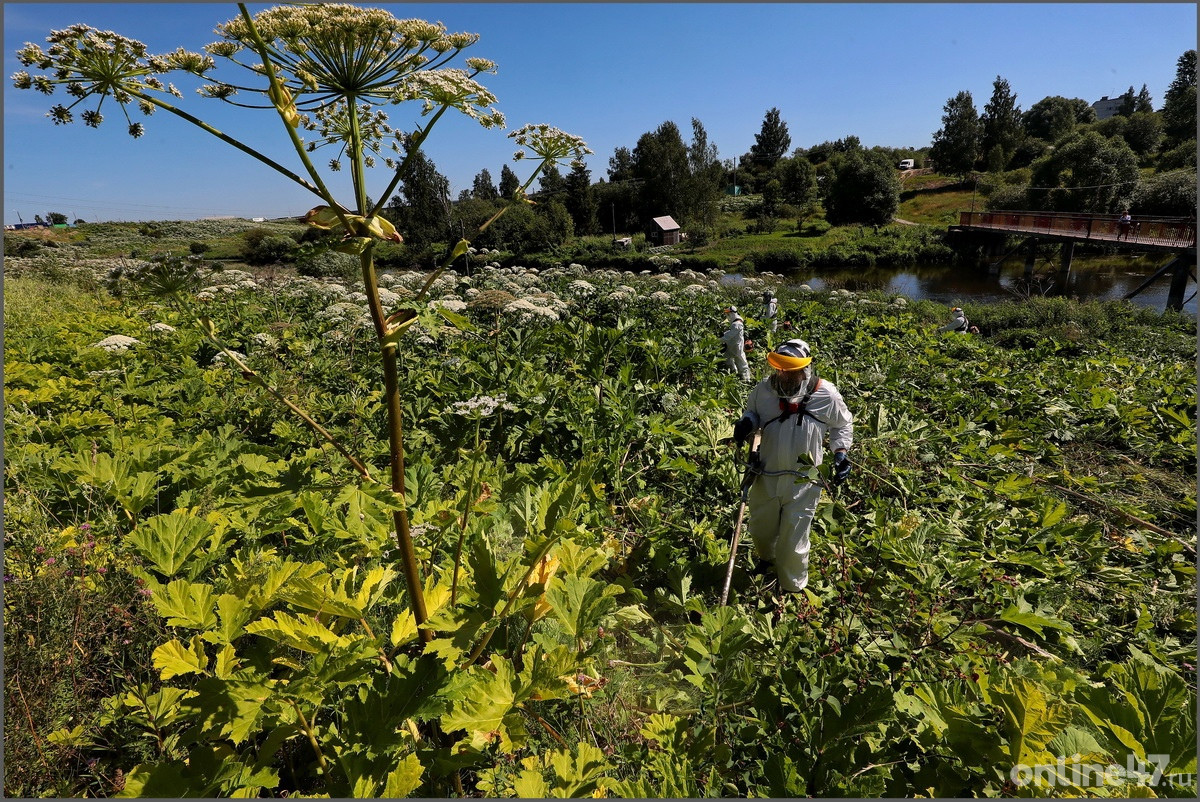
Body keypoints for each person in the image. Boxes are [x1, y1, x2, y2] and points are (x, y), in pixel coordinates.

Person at [731, 339, 854, 593]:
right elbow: (753, 412)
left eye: (790, 369)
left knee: (794, 542)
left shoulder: (825, 394)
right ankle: (766, 561)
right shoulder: (763, 391)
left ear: (804, 369)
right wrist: (746, 423)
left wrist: (840, 452)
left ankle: (792, 589)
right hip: (766, 474)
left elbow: (842, 424)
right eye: (779, 368)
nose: (783, 374)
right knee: (760, 529)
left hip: (804, 482)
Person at [721, 305, 752, 381]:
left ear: (732, 313)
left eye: (728, 314)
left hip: (736, 346)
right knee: (727, 358)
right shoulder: (735, 322)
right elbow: (731, 333)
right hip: (732, 345)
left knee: (741, 362)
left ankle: (746, 379)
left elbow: (730, 335)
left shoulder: (737, 324)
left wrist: (720, 339)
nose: (727, 316)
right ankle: (733, 372)